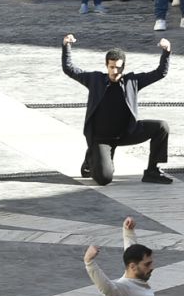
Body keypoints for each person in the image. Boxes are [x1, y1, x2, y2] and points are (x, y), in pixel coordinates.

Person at [62, 33, 173, 185]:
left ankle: (152, 171)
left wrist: (166, 51)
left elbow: (160, 72)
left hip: (127, 132)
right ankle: (91, 159)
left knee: (161, 127)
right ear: (107, 66)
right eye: (111, 67)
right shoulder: (95, 80)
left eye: (118, 68)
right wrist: (66, 46)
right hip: (102, 139)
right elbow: (69, 69)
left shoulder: (132, 81)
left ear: (123, 67)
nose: (115, 71)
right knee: (104, 179)